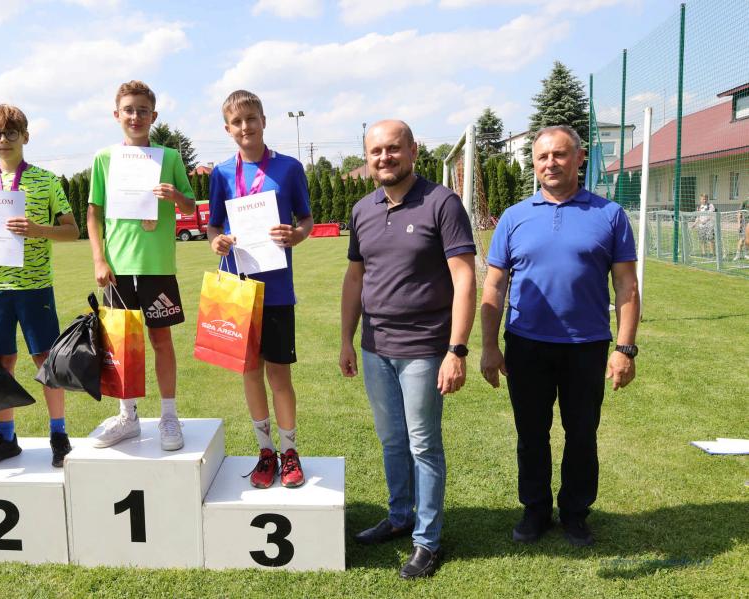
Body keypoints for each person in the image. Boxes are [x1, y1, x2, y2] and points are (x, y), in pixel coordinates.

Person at [480, 125, 640, 548]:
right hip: (526, 344)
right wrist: (489, 346)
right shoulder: (514, 217)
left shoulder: (609, 215)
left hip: (586, 346)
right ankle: (534, 510)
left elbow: (626, 285)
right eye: (542, 157)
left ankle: (574, 513)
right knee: (531, 434)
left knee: (582, 434)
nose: (550, 163)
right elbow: (494, 285)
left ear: (579, 158)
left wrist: (624, 348)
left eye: (560, 154)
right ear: (534, 164)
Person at [340, 120, 476, 579]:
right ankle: (400, 516)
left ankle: (427, 541)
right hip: (375, 348)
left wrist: (456, 349)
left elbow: (463, 277)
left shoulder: (442, 202)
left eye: (393, 148)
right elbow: (355, 278)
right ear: (368, 158)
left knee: (423, 444)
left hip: (424, 348)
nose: (385, 157)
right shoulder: (362, 209)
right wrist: (346, 339)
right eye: (376, 151)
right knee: (392, 440)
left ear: (413, 150)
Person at [207, 90, 313, 489]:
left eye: (251, 118)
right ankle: (265, 452)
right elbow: (213, 226)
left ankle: (290, 451)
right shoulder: (221, 173)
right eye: (237, 122)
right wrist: (216, 241)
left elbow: (305, 219)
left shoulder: (289, 168)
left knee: (279, 375)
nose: (245, 127)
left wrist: (296, 235)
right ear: (227, 129)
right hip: (237, 291)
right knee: (250, 373)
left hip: (277, 291)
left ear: (264, 121)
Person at [0, 104, 80, 469]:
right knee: (1, 363)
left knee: (45, 360)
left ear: (25, 137)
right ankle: (6, 438)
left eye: (11, 133)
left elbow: (73, 231)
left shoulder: (46, 181)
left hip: (34, 287)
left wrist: (38, 230)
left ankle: (58, 434)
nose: (3, 140)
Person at [87, 80, 196, 451]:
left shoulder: (169, 158)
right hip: (117, 269)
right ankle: (128, 416)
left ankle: (169, 416)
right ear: (116, 114)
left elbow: (190, 206)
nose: (135, 116)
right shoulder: (104, 158)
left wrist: (175, 195)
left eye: (143, 111)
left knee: (161, 341)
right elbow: (94, 213)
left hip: (157, 265)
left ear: (154, 115)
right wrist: (99, 258)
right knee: (122, 346)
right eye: (129, 110)